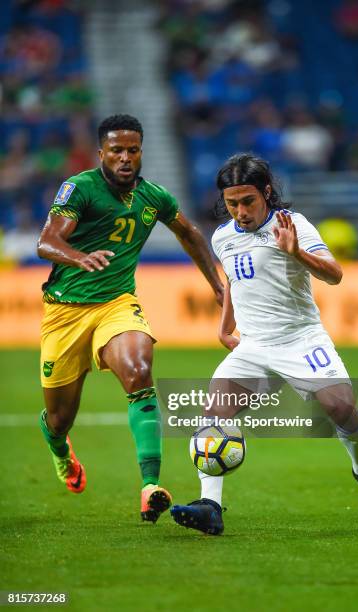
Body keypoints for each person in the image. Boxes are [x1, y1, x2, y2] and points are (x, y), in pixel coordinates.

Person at [171, 153, 358, 535]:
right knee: (212, 418)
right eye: (232, 203)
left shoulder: (292, 225)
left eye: (248, 201)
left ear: (266, 192)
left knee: (341, 409)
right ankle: (210, 506)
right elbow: (232, 280)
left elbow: (336, 275)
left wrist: (296, 252)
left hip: (300, 339)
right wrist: (225, 325)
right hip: (254, 347)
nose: (241, 211)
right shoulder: (222, 237)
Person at [37, 114, 223, 523]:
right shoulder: (80, 188)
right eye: (117, 150)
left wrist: (219, 285)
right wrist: (78, 256)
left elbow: (189, 232)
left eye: (133, 150)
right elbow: (47, 241)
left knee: (139, 371)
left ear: (141, 152)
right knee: (59, 418)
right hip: (65, 312)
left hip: (117, 305)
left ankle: (150, 486)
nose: (125, 158)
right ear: (101, 151)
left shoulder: (153, 196)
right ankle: (59, 449)